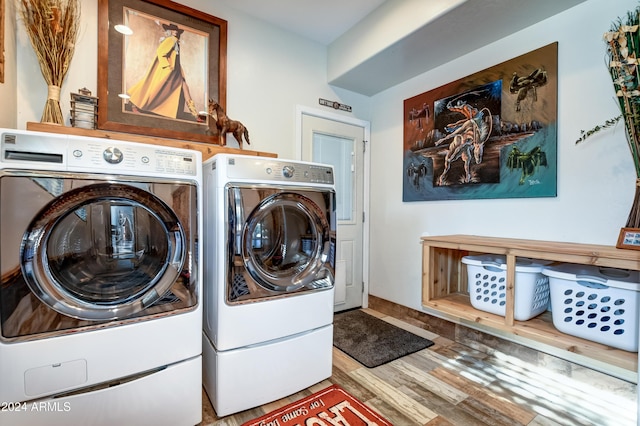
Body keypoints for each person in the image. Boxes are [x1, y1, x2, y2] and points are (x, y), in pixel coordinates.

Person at [127, 23, 200, 120]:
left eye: (176, 31)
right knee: (152, 88)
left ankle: (195, 114)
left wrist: (178, 70)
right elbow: (161, 52)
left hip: (176, 72)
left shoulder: (175, 41)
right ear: (169, 31)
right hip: (168, 71)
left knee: (185, 88)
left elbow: (175, 58)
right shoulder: (171, 40)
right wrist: (167, 67)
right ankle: (133, 103)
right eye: (173, 30)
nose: (175, 32)